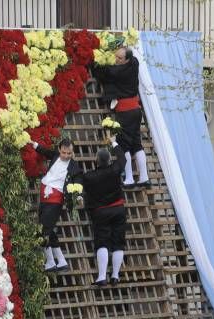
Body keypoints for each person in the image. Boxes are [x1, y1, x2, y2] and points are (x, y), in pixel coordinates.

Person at [93, 47, 150, 189]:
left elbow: (104, 72)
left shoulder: (118, 71)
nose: (116, 60)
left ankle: (129, 178)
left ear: (127, 59)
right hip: (136, 110)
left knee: (123, 144)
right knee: (136, 143)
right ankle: (144, 177)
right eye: (116, 56)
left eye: (120, 58)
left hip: (125, 112)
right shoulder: (135, 63)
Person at [31, 138, 83, 272]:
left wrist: (78, 196)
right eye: (64, 152)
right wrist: (34, 144)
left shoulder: (74, 166)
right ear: (59, 150)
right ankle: (61, 261)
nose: (66, 156)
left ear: (72, 152)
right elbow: (45, 151)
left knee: (43, 230)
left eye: (69, 153)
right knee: (50, 229)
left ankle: (49, 262)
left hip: (56, 199)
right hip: (44, 196)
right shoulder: (55, 156)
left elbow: (78, 182)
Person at [82, 140, 127, 286]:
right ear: (109, 159)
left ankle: (102, 276)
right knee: (118, 242)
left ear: (96, 160)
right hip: (118, 209)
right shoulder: (115, 169)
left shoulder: (89, 177)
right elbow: (123, 158)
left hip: (100, 212)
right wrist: (114, 142)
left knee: (102, 242)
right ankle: (115, 275)